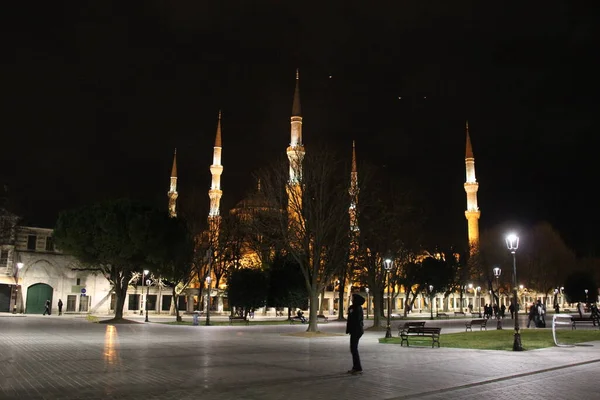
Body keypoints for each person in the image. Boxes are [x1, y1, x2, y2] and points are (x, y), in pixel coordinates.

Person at [346, 293, 365, 375]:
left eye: (352, 298)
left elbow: (355, 320)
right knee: (353, 349)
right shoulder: (354, 307)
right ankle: (356, 367)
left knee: (354, 349)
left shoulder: (357, 308)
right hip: (355, 330)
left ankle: (358, 368)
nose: (351, 299)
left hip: (356, 331)